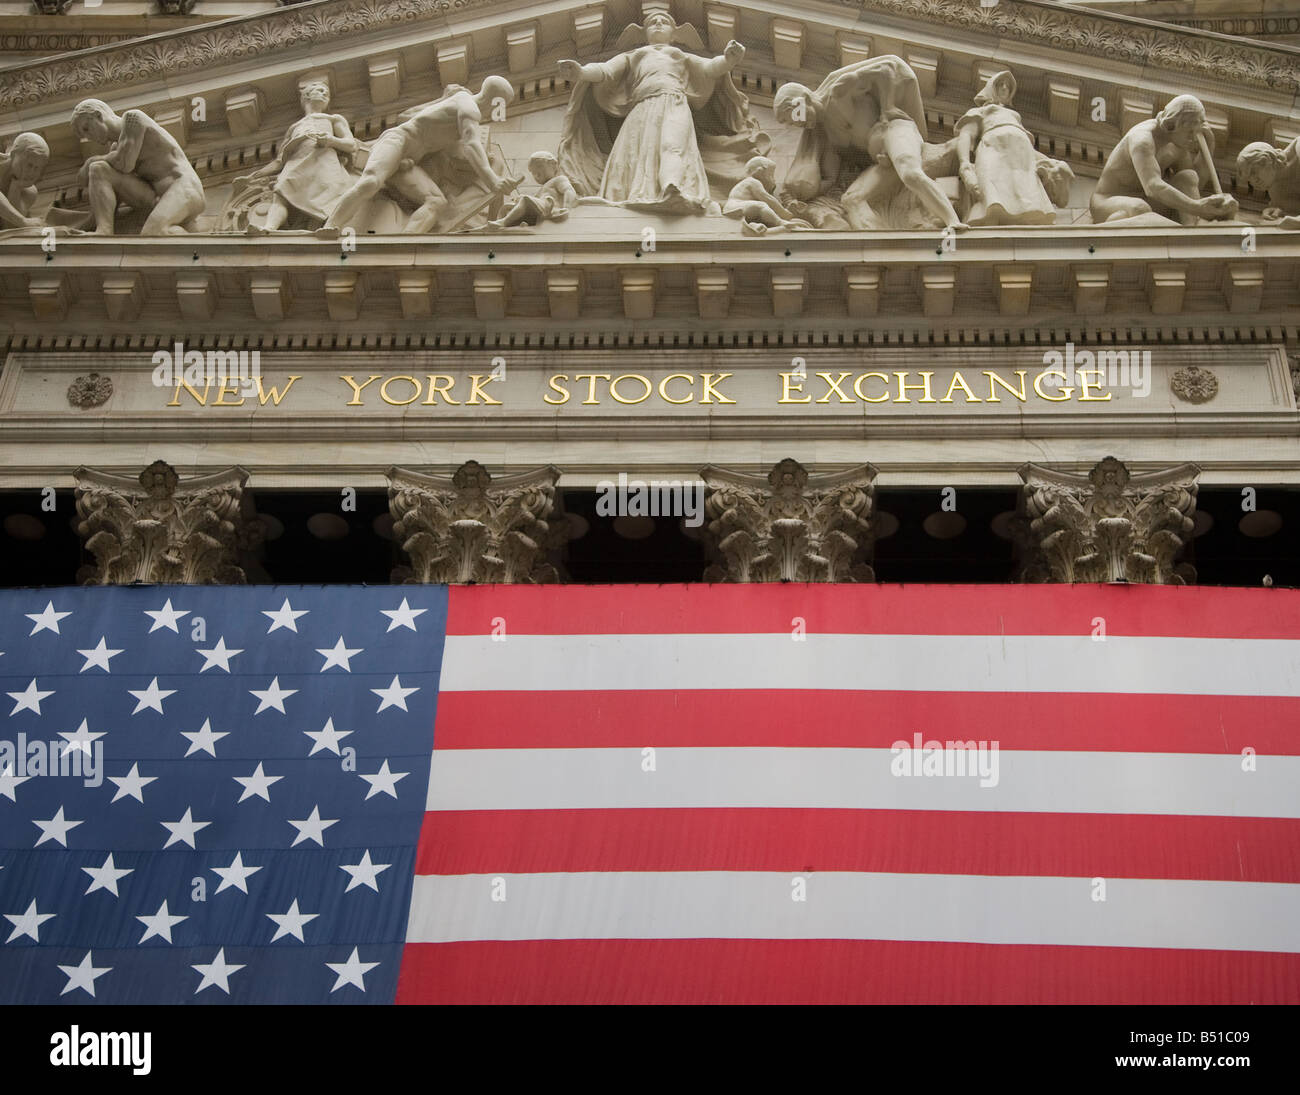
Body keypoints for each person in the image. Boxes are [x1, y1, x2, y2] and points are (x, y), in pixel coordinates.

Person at [556, 12, 760, 214]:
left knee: (673, 145)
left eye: (665, 22)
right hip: (642, 108)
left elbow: (708, 68)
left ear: (674, 34)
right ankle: (632, 194)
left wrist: (728, 60)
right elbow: (605, 70)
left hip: (674, 102)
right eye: (653, 22)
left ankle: (672, 188)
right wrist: (581, 72)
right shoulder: (635, 55)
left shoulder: (679, 55)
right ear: (644, 33)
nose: (659, 23)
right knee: (633, 154)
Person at [774, 56, 965, 231]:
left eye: (792, 115)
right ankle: (883, 253)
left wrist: (887, 106)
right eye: (791, 123)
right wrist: (800, 199)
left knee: (910, 173)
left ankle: (953, 222)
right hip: (881, 159)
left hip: (893, 131)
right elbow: (831, 179)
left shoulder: (838, 91)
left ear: (803, 100)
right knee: (851, 200)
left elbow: (885, 69)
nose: (796, 123)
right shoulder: (826, 134)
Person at [324, 76, 520, 234]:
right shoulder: (468, 106)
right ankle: (330, 226)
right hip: (397, 142)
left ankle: (404, 246)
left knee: (437, 202)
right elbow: (471, 145)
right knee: (371, 182)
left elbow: (462, 155)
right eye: (501, 104)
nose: (499, 110)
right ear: (495, 99)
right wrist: (493, 181)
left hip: (408, 163)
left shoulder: (463, 112)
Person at [234, 76, 360, 232]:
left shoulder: (333, 119)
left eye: (326, 93)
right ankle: (269, 228)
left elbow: (351, 144)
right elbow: (279, 161)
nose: (324, 94)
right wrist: (252, 177)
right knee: (280, 194)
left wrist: (329, 140)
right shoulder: (294, 127)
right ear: (306, 95)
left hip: (324, 163)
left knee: (329, 197)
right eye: (319, 90)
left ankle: (330, 227)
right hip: (295, 164)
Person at [1090, 95, 1237, 225]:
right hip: (1108, 201)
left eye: (1196, 132)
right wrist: (1198, 207)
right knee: (1139, 208)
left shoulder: (1177, 143)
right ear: (1171, 125)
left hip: (1149, 201)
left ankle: (1192, 230)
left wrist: (1209, 147)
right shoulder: (1143, 140)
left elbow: (1194, 185)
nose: (1193, 138)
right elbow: (1153, 186)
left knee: (1188, 176)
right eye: (1190, 132)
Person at [71, 99, 206, 235]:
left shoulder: (133, 119)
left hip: (184, 188)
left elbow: (125, 164)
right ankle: (104, 230)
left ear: (98, 116)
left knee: (153, 232)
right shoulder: (116, 149)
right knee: (99, 169)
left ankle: (196, 248)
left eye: (86, 128)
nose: (88, 137)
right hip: (155, 197)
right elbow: (111, 191)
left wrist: (89, 162)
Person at [955, 70, 1072, 226]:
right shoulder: (982, 111)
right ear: (992, 88)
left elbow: (1029, 150)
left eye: (1008, 86)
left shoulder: (1015, 117)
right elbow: (966, 135)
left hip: (1021, 158)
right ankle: (993, 219)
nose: (1005, 88)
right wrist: (964, 163)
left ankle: (1024, 222)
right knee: (993, 190)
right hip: (993, 149)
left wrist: (1050, 162)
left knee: (1025, 195)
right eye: (1000, 84)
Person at [723, 156, 812, 234]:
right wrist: (784, 213)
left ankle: (756, 225)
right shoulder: (752, 181)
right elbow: (768, 199)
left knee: (759, 209)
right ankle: (780, 223)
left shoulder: (749, 182)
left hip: (736, 207)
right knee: (762, 205)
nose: (773, 179)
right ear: (760, 171)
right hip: (735, 207)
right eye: (771, 174)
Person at [488, 151, 578, 227]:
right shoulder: (543, 189)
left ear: (553, 165)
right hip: (541, 209)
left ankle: (504, 222)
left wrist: (567, 208)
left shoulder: (559, 179)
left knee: (525, 200)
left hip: (550, 207)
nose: (537, 175)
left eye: (539, 167)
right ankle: (510, 224)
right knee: (507, 207)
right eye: (533, 173)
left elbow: (569, 190)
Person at [1237, 138, 1300, 230]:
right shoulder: (1277, 193)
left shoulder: (1297, 150)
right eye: (1249, 179)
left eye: (1253, 172)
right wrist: (1283, 211)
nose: (1254, 181)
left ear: (1267, 160)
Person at [0, 132, 49, 229]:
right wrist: (23, 221)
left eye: (37, 168)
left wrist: (16, 187)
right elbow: (20, 222)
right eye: (29, 165)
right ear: (14, 155)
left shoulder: (29, 192)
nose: (31, 172)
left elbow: (10, 227)